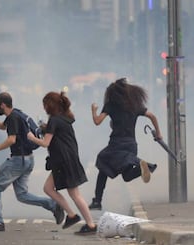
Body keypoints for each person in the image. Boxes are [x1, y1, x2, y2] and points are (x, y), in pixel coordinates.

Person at [0, 92, 64, 232]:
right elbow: (3, 126)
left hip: (18, 161)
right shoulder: (17, 114)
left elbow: (11, 139)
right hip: (28, 160)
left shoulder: (13, 117)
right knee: (22, 195)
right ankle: (53, 205)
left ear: (3, 105)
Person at [27, 91, 97, 235]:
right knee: (49, 188)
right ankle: (72, 216)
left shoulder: (54, 120)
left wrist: (31, 138)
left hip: (64, 161)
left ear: (49, 105)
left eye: (45, 104)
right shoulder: (64, 118)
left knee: (74, 194)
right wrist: (45, 128)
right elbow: (56, 133)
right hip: (66, 159)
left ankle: (90, 225)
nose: (44, 107)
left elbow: (46, 143)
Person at [88, 78, 162, 210]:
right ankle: (142, 167)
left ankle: (97, 201)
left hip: (116, 145)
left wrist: (93, 110)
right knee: (127, 176)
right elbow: (152, 116)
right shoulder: (134, 105)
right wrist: (158, 133)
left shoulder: (110, 105)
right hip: (131, 145)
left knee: (102, 163)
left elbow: (97, 121)